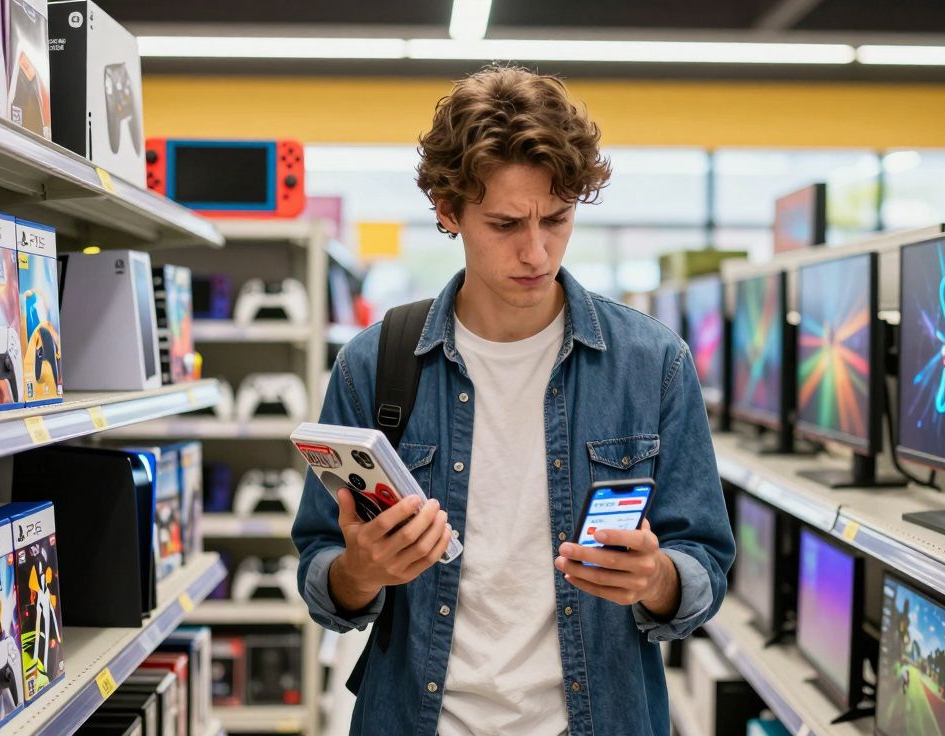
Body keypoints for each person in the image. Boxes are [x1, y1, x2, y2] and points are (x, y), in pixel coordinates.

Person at [292, 65, 735, 736]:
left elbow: (703, 565)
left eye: (556, 219)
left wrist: (656, 579)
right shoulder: (374, 364)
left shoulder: (653, 365)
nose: (537, 252)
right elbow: (323, 573)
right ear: (447, 210)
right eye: (505, 224)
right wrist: (361, 570)